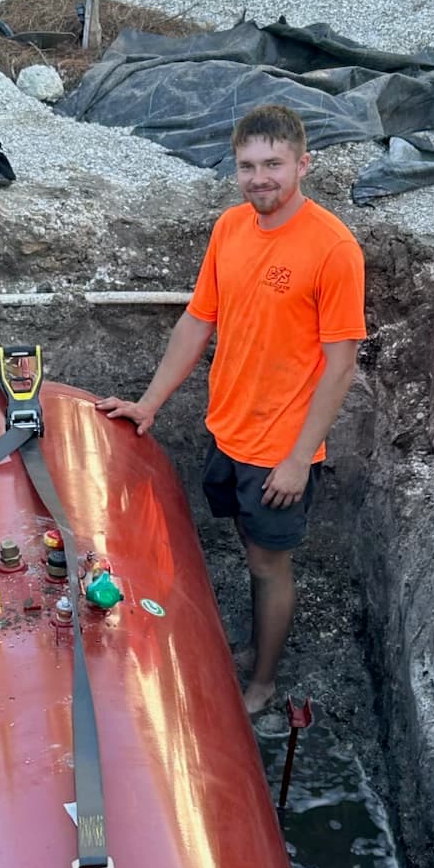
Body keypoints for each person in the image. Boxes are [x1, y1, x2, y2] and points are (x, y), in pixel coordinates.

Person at [96, 104, 366, 715]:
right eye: (247, 165)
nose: (259, 177)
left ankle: (263, 682)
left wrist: (299, 459)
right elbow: (198, 321)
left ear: (303, 164)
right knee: (247, 543)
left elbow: (341, 363)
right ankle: (249, 649)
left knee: (270, 565)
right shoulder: (230, 228)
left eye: (273, 164)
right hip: (228, 430)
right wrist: (150, 403)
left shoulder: (332, 249)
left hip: (280, 451)